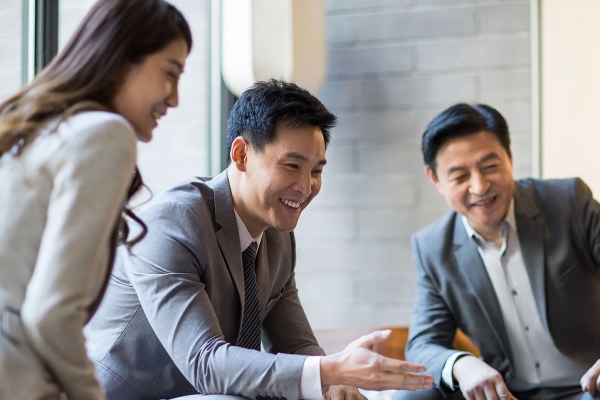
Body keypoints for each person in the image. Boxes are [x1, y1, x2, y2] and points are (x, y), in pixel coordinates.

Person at [84, 79, 434, 400]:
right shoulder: (174, 222)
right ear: (241, 155)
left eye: (316, 171)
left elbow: (298, 348)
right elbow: (205, 363)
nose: (306, 186)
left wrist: (335, 383)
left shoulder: (277, 238)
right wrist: (330, 370)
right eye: (292, 166)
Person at [0, 0, 192, 399]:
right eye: (169, 74)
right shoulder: (104, 133)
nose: (174, 99)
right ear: (122, 60)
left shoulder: (41, 130)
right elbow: (51, 313)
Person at [393, 103, 600, 400]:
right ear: (435, 179)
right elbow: (424, 343)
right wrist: (462, 365)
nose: (480, 186)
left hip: (589, 387)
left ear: (510, 156)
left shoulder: (569, 202)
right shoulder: (432, 247)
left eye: (490, 167)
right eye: (460, 176)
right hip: (505, 394)